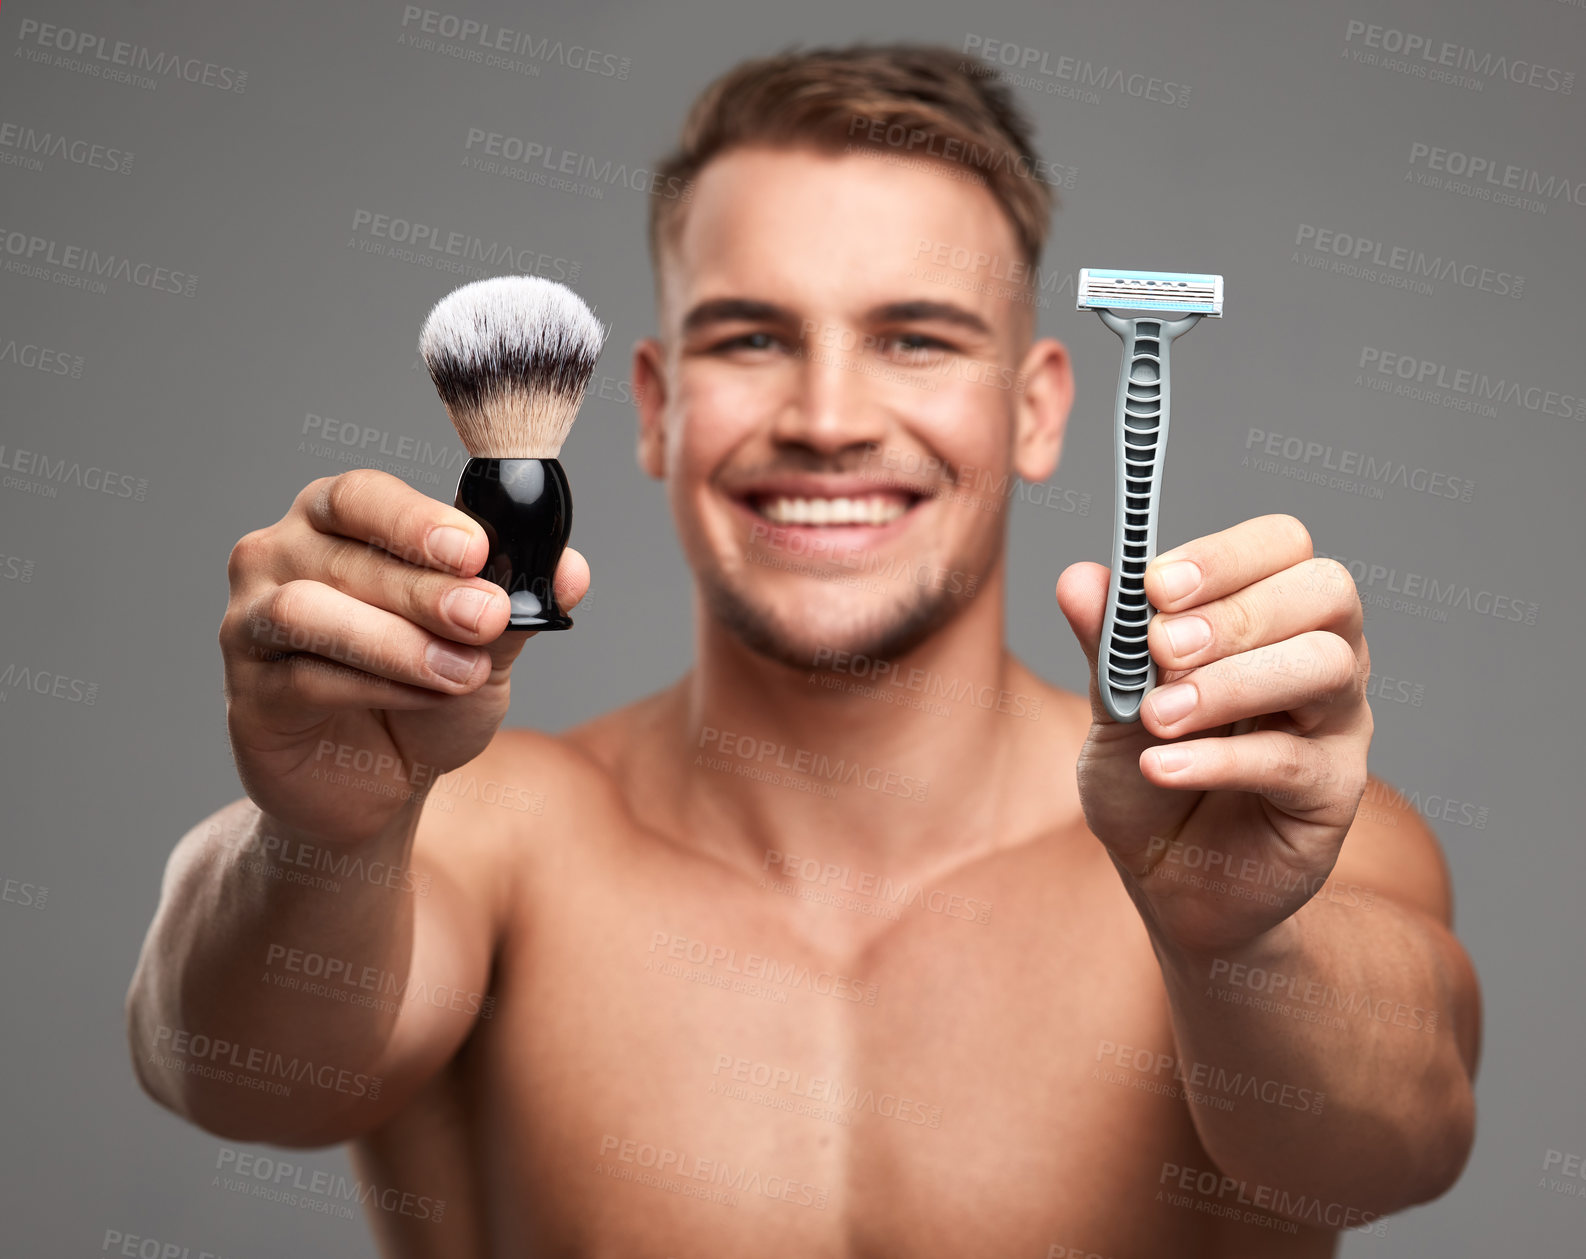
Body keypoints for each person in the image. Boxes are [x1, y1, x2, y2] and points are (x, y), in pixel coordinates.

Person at [127, 43, 1481, 1257]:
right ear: (650, 410)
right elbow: (235, 1076)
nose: (827, 417)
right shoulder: (484, 837)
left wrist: (1238, 951)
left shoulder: (1259, 840)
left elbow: (1397, 1145)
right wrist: (321, 834)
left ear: (1036, 409)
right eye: (753, 338)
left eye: (913, 338)